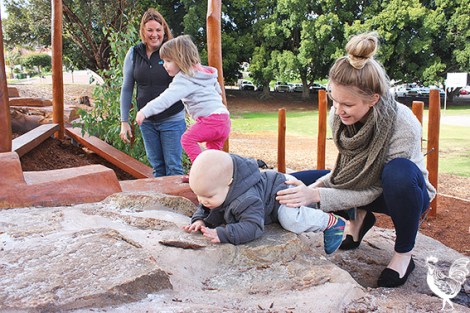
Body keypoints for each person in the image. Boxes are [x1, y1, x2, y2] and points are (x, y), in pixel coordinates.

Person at [276, 32, 436, 288]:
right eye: (334, 99)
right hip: (360, 181)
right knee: (289, 184)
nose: (338, 110)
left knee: (398, 173)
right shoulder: (338, 115)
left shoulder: (402, 123)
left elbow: (376, 186)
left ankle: (404, 254)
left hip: (400, 191)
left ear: (374, 99)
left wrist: (316, 196)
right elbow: (347, 172)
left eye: (347, 104)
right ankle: (358, 219)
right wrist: (311, 189)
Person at [182, 149, 346, 255]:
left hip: (282, 192)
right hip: (272, 189)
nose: (202, 201)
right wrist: (199, 219)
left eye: (208, 197)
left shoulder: (246, 199)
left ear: (230, 183)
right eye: (198, 195)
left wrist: (224, 234)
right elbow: (206, 206)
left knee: (290, 220)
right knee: (209, 200)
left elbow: (253, 227)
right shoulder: (216, 191)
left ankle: (330, 222)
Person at [136, 35, 231, 165]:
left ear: (181, 59)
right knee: (212, 157)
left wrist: (144, 112)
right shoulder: (205, 73)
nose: (164, 65)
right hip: (224, 120)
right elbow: (218, 91)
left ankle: (201, 171)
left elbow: (166, 99)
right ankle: (213, 177)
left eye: (168, 61)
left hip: (211, 120)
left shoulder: (185, 78)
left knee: (187, 139)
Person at [120, 8, 186, 177]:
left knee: (173, 167)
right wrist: (124, 120)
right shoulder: (134, 53)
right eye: (150, 30)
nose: (154, 34)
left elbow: (189, 81)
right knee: (158, 167)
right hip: (147, 122)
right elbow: (127, 87)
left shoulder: (173, 52)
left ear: (164, 30)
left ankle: (178, 203)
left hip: (172, 119)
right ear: (143, 31)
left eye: (158, 30)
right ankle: (162, 203)